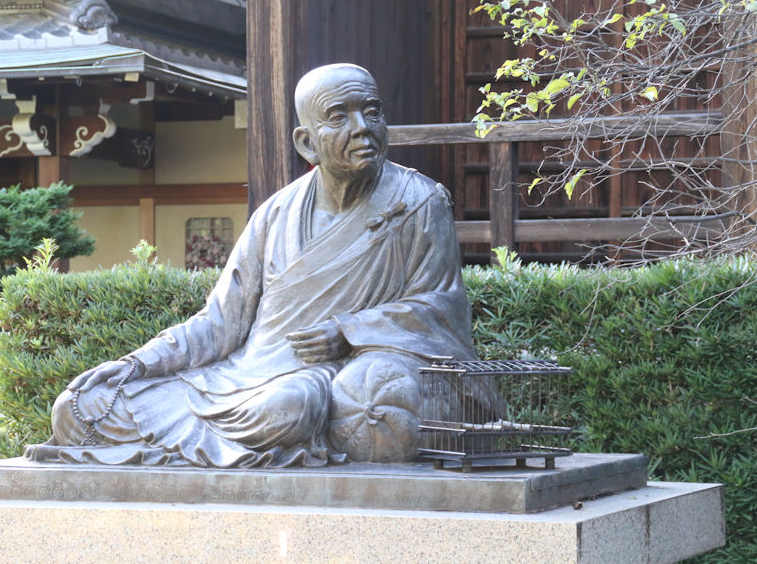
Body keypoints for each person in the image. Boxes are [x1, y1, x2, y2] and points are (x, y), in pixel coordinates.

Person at [26, 63, 490, 468]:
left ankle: (210, 443)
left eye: (372, 112)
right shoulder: (276, 213)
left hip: (312, 381)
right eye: (339, 117)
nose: (362, 127)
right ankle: (208, 442)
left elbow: (441, 308)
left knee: (291, 407)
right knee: (81, 405)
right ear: (307, 142)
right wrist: (137, 364)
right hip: (238, 377)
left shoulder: (418, 202)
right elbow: (219, 322)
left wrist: (347, 331)